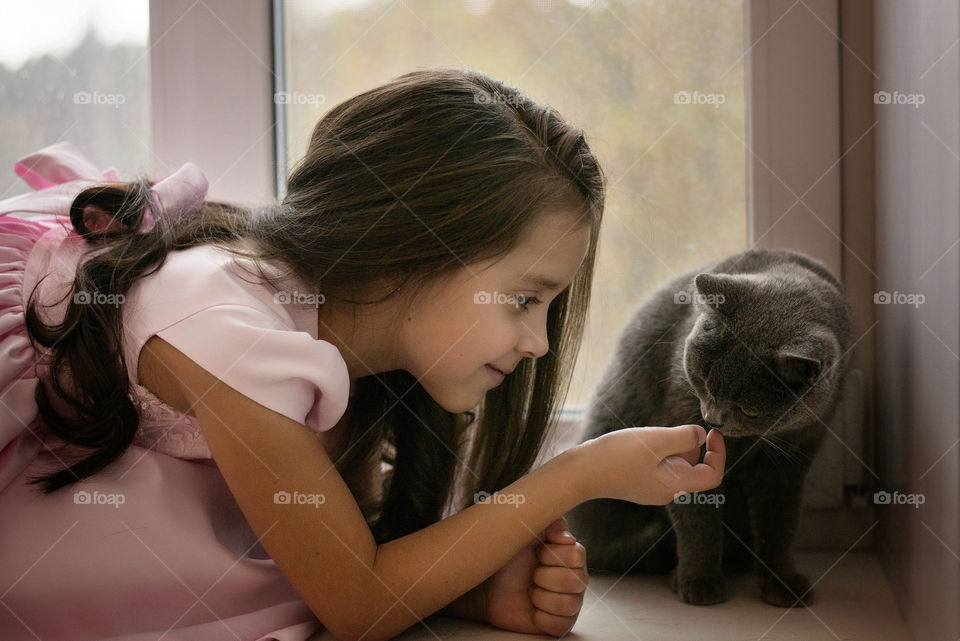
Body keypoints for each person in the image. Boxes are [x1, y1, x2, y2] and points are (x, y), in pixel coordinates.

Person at [0, 68, 725, 641]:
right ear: (409, 247)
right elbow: (356, 600)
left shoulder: (338, 350)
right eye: (522, 298)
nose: (537, 343)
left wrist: (467, 587)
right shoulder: (229, 327)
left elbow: (327, 560)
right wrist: (582, 470)